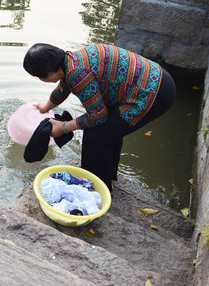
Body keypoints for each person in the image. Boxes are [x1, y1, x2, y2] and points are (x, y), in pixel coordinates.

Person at [23, 43, 176, 191]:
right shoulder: (70, 61)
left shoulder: (77, 74)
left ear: (50, 73)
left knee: (97, 133)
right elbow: (64, 87)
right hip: (157, 77)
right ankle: (107, 177)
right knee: (109, 128)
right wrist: (46, 106)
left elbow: (98, 116)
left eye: (39, 77)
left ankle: (97, 189)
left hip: (152, 93)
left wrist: (63, 127)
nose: (41, 80)